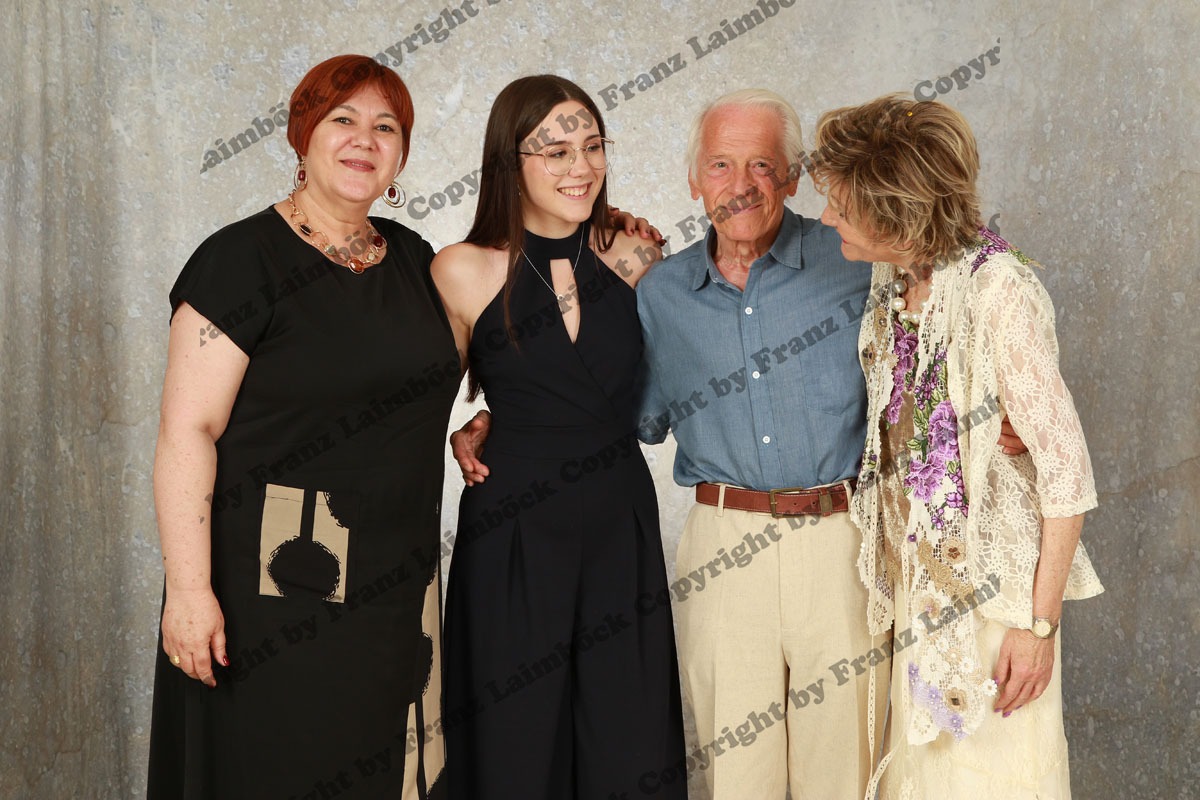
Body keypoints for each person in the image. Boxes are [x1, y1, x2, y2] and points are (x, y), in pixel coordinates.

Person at [147, 54, 456, 798]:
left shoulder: (416, 261)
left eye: (386, 126)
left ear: (402, 153)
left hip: (397, 581)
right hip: (275, 582)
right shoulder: (239, 261)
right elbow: (188, 432)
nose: (364, 140)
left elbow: (479, 357)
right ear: (303, 134)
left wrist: (488, 426)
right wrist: (189, 592)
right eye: (343, 119)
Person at [811, 93, 1103, 799]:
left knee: (991, 779)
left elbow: (1066, 473)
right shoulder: (897, 278)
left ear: (895, 214)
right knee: (930, 774)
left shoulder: (999, 290)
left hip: (999, 608)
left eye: (842, 207)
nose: (824, 219)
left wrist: (1038, 628)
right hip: (924, 587)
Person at [431, 74, 686, 799]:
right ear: (509, 163)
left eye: (593, 146)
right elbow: (416, 402)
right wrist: (469, 426)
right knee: (514, 739)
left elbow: (666, 386)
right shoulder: (460, 270)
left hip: (618, 521)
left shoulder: (637, 255)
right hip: (513, 528)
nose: (581, 167)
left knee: (627, 735)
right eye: (556, 151)